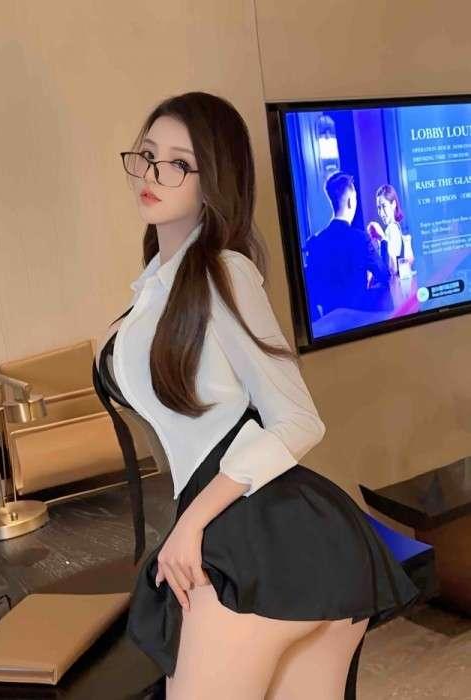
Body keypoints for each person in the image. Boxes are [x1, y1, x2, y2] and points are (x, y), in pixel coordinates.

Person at [92, 92, 420, 699]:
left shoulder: (222, 272)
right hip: (271, 532)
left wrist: (191, 523)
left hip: (261, 535)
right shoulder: (161, 286)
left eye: (179, 163)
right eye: (148, 155)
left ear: (213, 180)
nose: (153, 173)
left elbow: (298, 419)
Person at [306, 172, 392, 319]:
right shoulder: (360, 239)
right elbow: (384, 274)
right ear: (351, 202)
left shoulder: (315, 243)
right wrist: (383, 241)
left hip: (330, 326)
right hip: (359, 322)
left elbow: (313, 294)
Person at [367, 183, 415, 276]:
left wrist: (382, 239)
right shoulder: (395, 227)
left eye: (383, 206)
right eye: (379, 208)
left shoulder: (391, 229)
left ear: (393, 204)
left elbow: (393, 269)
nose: (381, 213)